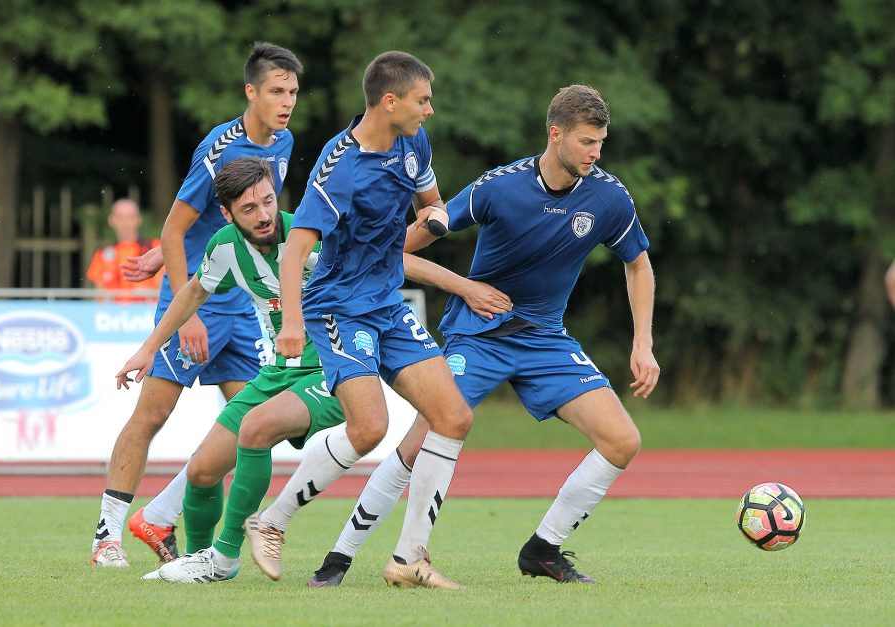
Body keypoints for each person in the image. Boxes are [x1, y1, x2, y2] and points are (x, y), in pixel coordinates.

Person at [307, 84, 659, 587]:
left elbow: (639, 266)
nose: (595, 153)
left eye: (600, 142)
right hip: (478, 335)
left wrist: (642, 342)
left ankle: (543, 549)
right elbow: (410, 242)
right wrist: (372, 264)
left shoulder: (608, 197)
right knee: (421, 439)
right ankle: (337, 560)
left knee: (623, 440)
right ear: (555, 133)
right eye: (586, 142)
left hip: (545, 340)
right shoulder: (499, 187)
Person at [126, 158, 511, 583]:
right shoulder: (224, 248)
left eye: (268, 201)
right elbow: (193, 293)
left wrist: (465, 286)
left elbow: (392, 261)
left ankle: (229, 553)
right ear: (228, 214)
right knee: (201, 471)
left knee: (258, 428)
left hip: (332, 365)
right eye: (249, 209)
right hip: (276, 372)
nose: (264, 215)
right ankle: (202, 559)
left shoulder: (311, 235)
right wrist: (148, 349)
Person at [90, 42, 303, 568]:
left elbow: (243, 219)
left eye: (293, 92)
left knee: (251, 425)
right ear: (250, 92)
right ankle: (106, 537)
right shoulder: (218, 148)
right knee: (153, 414)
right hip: (198, 299)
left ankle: (161, 516)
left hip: (245, 303)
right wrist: (190, 305)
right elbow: (175, 228)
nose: (287, 102)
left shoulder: (285, 141)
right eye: (277, 91)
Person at [267, 51, 472, 589]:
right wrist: (291, 324)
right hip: (337, 306)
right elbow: (295, 252)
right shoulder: (339, 167)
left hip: (386, 303)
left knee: (453, 417)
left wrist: (437, 216)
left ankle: (408, 559)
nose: (430, 110)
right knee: (369, 428)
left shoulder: (413, 142)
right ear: (390, 101)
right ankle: (272, 520)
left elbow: (431, 202)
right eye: (422, 100)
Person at [86, 198, 162, 301]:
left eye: (130, 218)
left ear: (138, 219)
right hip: (113, 314)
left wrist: (146, 292)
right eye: (120, 218)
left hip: (147, 312)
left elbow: (164, 286)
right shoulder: (102, 253)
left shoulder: (155, 248)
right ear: (111, 220)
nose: (125, 223)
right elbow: (99, 295)